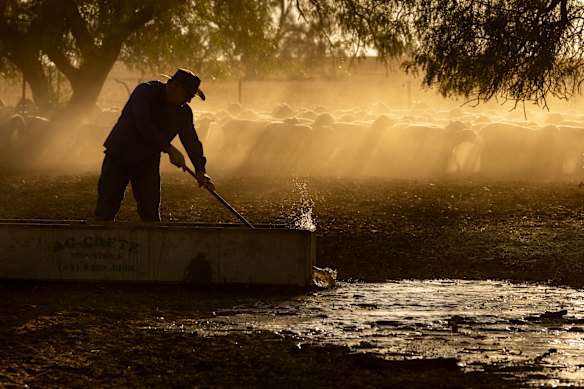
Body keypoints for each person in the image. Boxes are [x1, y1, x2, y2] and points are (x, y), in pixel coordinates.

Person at [95, 68, 214, 222]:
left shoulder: (183, 113)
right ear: (175, 86)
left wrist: (200, 170)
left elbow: (191, 141)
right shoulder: (144, 93)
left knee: (150, 214)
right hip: (119, 156)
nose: (189, 100)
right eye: (188, 95)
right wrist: (169, 149)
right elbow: (143, 125)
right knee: (105, 211)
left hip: (147, 163)